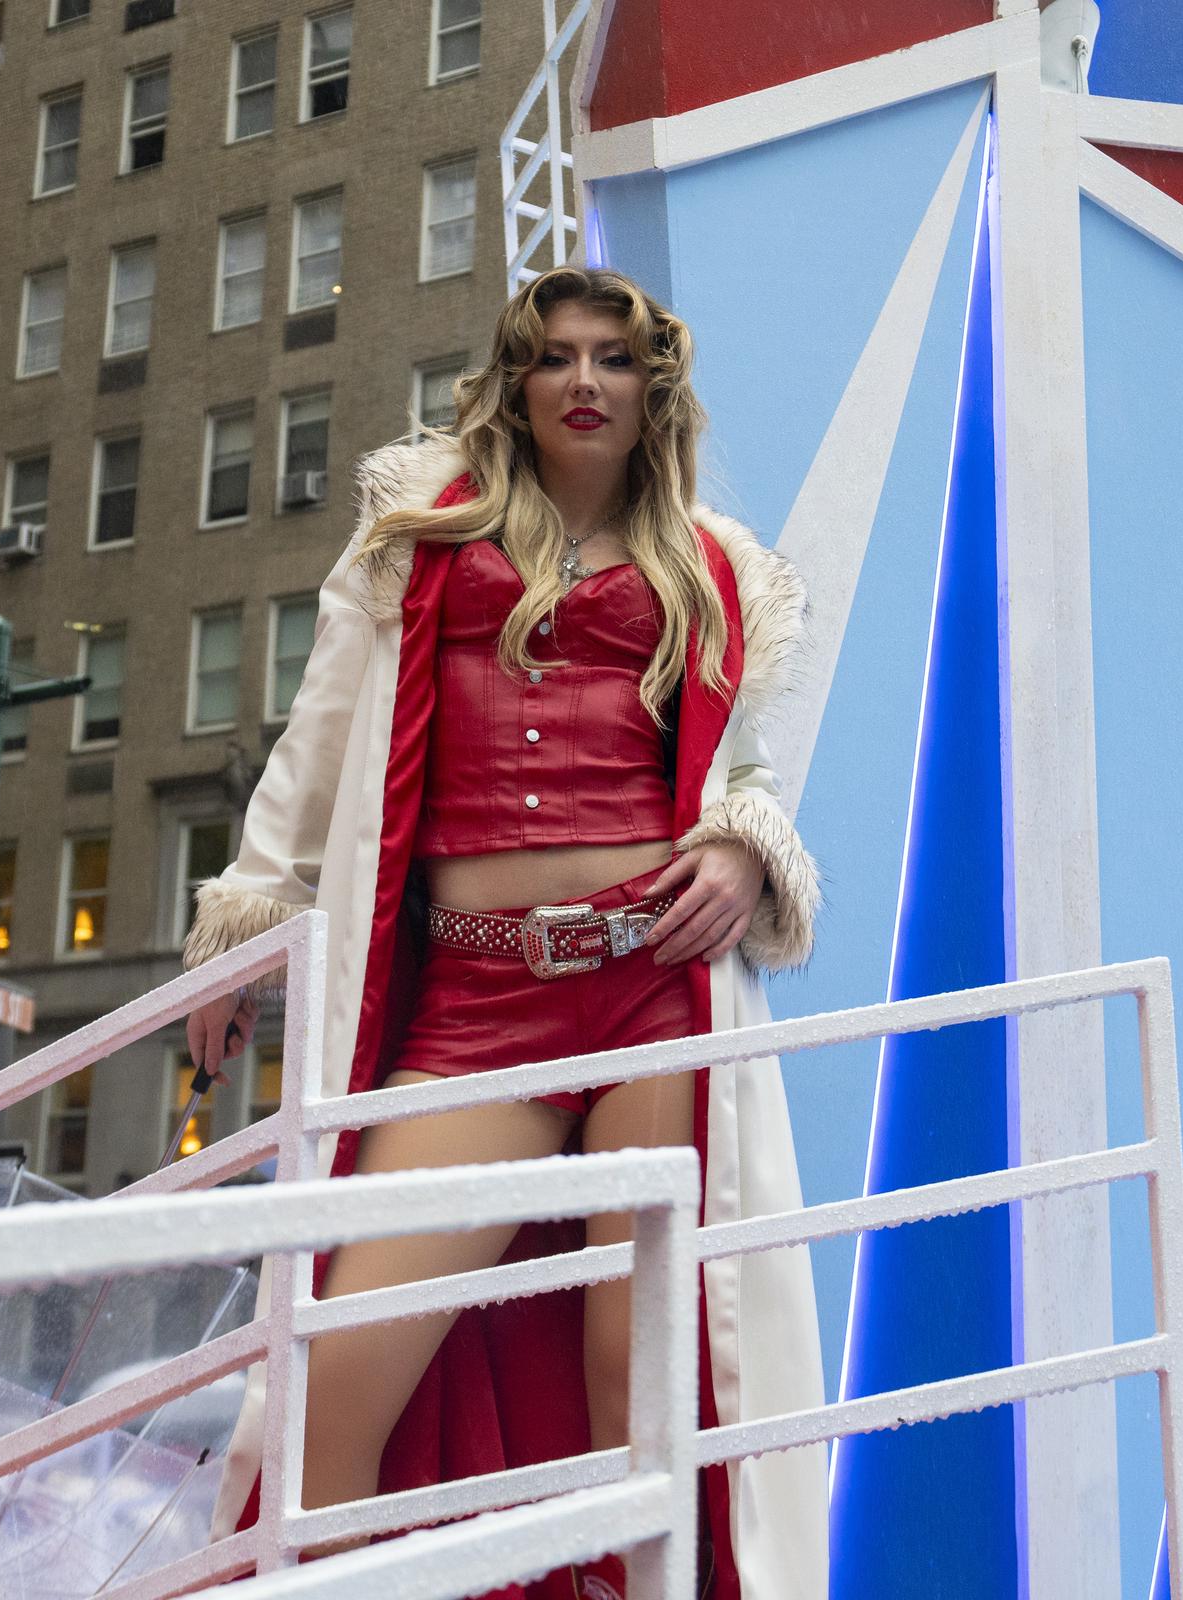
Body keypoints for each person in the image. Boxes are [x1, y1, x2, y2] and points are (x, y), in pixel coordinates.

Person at [182, 266, 828, 1599]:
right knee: (336, 1377)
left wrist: (743, 848)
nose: (583, 380)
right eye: (555, 358)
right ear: (516, 387)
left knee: (635, 1386)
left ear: (654, 394)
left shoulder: (713, 568)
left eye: (613, 360)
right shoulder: (418, 539)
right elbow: (319, 746)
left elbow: (740, 777)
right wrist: (251, 906)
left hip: (650, 994)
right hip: (476, 1010)